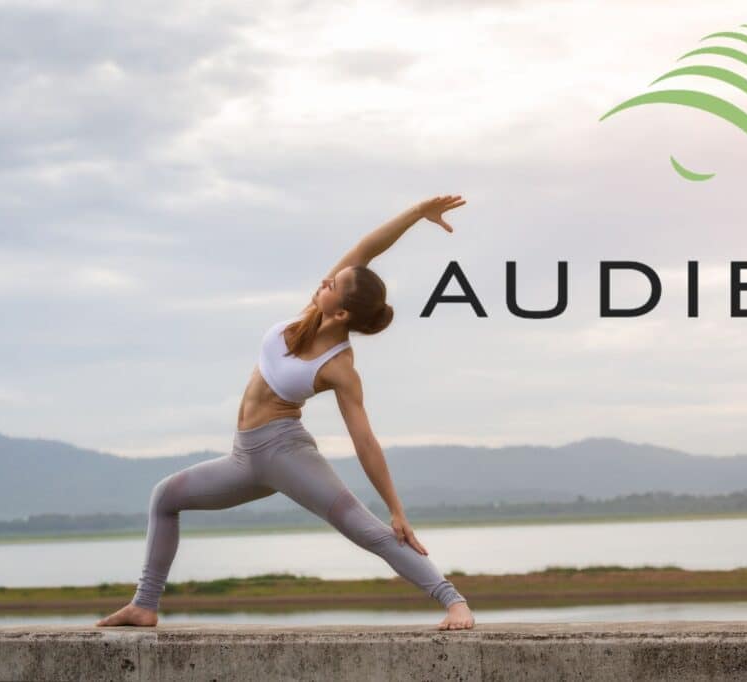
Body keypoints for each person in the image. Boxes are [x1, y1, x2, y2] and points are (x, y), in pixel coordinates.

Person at [95, 195, 475, 631]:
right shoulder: (311, 315)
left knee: (367, 530)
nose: (325, 281)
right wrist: (416, 213)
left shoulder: (339, 368)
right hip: (244, 458)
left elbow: (365, 441)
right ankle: (144, 605)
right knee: (165, 497)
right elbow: (368, 248)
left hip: (286, 455)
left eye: (332, 285)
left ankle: (454, 602)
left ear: (343, 312)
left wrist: (397, 509)